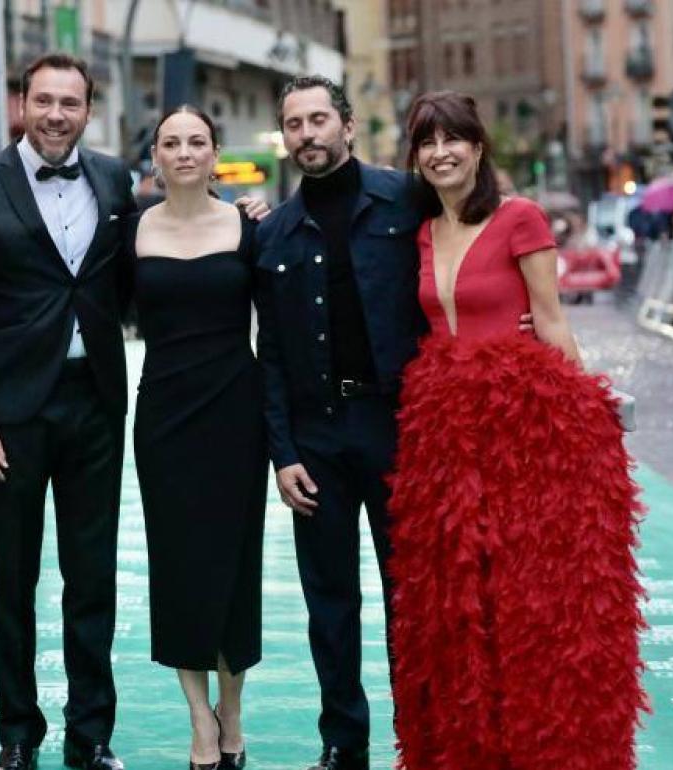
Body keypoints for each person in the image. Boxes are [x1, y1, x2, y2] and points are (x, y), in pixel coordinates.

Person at [385, 91, 645, 770]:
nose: (441, 153)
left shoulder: (519, 218)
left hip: (518, 425)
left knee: (532, 594)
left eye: (454, 140)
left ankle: (546, 747)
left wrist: (587, 417)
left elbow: (553, 324)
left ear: (478, 148)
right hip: (443, 434)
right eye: (427, 142)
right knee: (458, 599)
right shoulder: (420, 231)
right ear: (416, 157)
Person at [0, 53, 138, 770]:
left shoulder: (116, 180)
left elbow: (139, 280)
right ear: (22, 103)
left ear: (88, 109)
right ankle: (18, 736)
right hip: (10, 415)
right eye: (45, 100)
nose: (57, 115)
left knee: (93, 578)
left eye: (71, 103)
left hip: (95, 406)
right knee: (12, 579)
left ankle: (92, 738)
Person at [253, 75, 427, 770]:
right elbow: (268, 354)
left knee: (410, 597)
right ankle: (342, 743)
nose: (307, 134)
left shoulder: (405, 201)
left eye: (318, 119)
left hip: (400, 430)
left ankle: (422, 736)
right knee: (330, 603)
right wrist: (282, 453)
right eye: (294, 124)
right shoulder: (273, 233)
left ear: (347, 126)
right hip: (316, 439)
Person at [125, 105, 266, 770]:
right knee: (178, 568)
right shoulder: (129, 232)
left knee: (234, 568)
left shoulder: (249, 226)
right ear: (155, 155)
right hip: (163, 420)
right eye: (171, 142)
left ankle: (232, 710)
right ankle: (199, 723)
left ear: (216, 153)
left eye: (197, 142)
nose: (184, 152)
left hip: (237, 414)